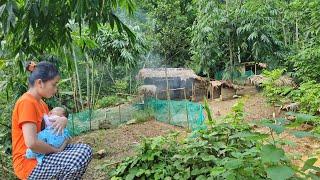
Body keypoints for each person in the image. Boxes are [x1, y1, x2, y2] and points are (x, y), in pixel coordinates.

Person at [11, 60, 92, 180]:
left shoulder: (41, 103)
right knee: (77, 159)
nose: (55, 89)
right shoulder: (26, 102)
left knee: (86, 149)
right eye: (54, 84)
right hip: (29, 162)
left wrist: (63, 120)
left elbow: (53, 123)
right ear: (40, 83)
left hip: (44, 153)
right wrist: (56, 150)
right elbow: (31, 143)